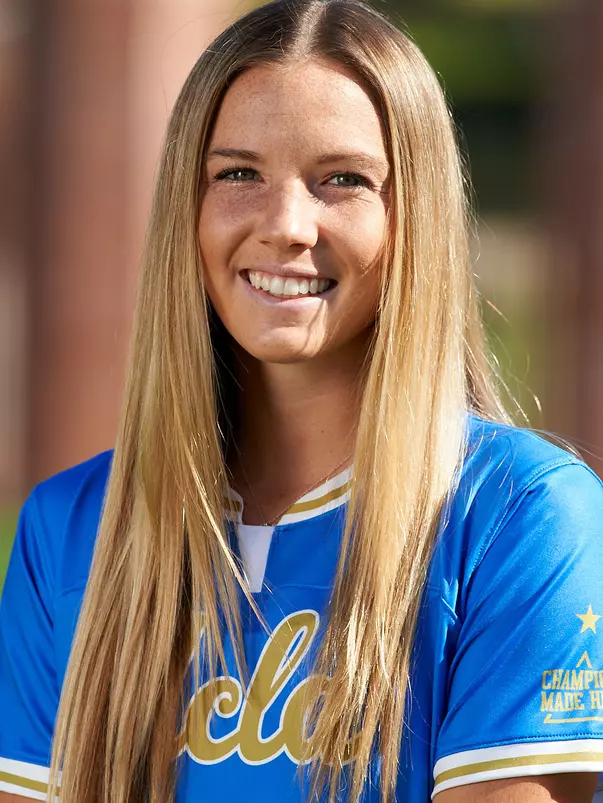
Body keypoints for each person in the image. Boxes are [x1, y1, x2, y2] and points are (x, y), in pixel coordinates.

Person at [1, 0, 603, 800]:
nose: (286, 224)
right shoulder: (70, 528)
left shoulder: (522, 517)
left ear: (412, 217)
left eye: (342, 180)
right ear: (187, 207)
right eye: (237, 174)